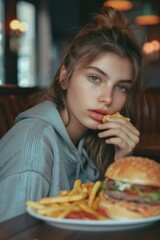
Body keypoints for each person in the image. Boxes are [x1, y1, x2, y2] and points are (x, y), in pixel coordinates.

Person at [0, 6, 142, 222]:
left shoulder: (90, 143)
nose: (108, 98)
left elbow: (115, 219)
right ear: (65, 77)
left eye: (121, 87)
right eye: (95, 78)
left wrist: (122, 164)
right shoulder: (34, 147)